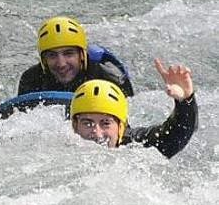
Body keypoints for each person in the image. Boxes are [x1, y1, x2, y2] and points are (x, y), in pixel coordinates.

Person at [69, 58, 197, 159]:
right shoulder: (60, 148)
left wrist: (185, 102)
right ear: (75, 126)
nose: (97, 133)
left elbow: (173, 137)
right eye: (87, 123)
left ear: (120, 127)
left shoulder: (133, 146)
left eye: (105, 123)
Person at [17, 16, 134, 98]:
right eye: (52, 55)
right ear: (44, 60)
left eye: (68, 53)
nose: (61, 63)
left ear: (81, 55)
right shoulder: (31, 80)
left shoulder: (110, 77)